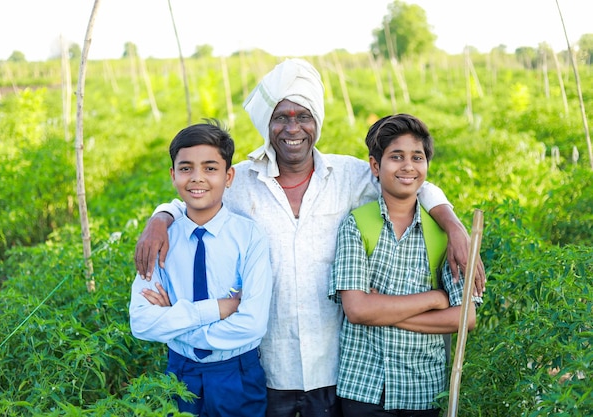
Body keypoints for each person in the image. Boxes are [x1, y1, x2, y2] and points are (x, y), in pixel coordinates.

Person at [134, 59, 485, 417]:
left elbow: (408, 181)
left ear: (316, 122)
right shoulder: (241, 182)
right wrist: (161, 217)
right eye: (281, 117)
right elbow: (197, 194)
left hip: (334, 367)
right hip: (268, 364)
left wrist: (453, 225)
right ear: (268, 124)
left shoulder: (346, 174)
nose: (292, 128)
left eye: (303, 116)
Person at [329, 113, 483, 416]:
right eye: (396, 157)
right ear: (376, 166)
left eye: (417, 157)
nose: (408, 166)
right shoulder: (357, 224)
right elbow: (357, 310)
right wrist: (434, 299)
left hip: (422, 389)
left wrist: (381, 311)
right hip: (363, 386)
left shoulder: (442, 234)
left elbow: (466, 318)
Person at [129, 119, 273, 417]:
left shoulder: (249, 236)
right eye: (185, 168)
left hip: (237, 374)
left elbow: (253, 323)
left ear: (229, 176)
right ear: (172, 175)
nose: (197, 178)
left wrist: (175, 322)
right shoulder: (160, 241)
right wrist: (218, 309)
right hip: (180, 373)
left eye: (210, 168)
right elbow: (141, 322)